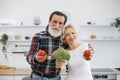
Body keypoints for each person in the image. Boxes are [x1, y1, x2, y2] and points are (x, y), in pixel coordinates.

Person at [26, 11, 67, 80]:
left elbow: (68, 57)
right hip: (38, 77)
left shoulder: (64, 39)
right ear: (49, 21)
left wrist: (64, 62)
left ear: (63, 25)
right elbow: (29, 57)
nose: (57, 26)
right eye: (54, 21)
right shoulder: (38, 36)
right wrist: (36, 58)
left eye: (60, 23)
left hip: (56, 77)